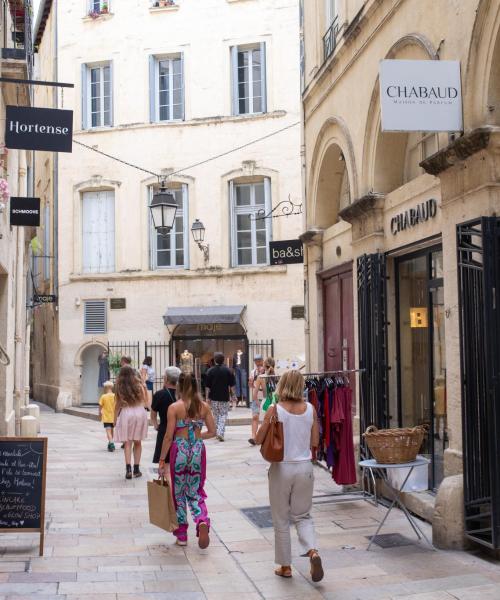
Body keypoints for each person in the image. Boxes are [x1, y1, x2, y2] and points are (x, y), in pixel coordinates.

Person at [255, 370, 323, 583]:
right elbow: (315, 442)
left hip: (281, 468)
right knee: (303, 516)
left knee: (281, 519)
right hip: (304, 468)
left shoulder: (275, 409)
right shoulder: (310, 409)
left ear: (282, 385)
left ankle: (285, 567)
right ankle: (313, 552)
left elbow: (259, 439)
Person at [158, 372, 216, 547]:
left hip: (180, 450)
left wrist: (162, 460)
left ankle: (182, 535)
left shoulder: (174, 408)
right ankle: (201, 519)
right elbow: (213, 432)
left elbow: (168, 436)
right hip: (197, 451)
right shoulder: (204, 407)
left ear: (179, 387)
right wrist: (197, 437)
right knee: (195, 490)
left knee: (179, 493)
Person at [113, 365, 149, 479]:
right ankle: (136, 469)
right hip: (139, 412)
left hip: (126, 413)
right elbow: (146, 401)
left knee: (127, 443)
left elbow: (117, 405)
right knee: (138, 442)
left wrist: (114, 419)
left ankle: (128, 468)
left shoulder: (120, 387)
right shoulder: (139, 385)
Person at [151, 366, 180, 466]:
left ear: (166, 379)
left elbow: (153, 414)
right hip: (181, 430)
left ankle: (169, 481)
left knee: (166, 463)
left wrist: (156, 426)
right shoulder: (182, 395)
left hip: (164, 429)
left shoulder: (159, 394)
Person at [205, 352, 236, 441]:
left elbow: (207, 386)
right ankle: (220, 432)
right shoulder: (228, 371)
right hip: (224, 397)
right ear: (223, 360)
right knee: (223, 414)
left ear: (214, 360)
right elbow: (232, 385)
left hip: (213, 397)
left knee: (216, 415)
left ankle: (218, 432)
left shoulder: (210, 371)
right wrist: (233, 395)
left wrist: (207, 397)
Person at [249, 357, 276, 445]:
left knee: (264, 423)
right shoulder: (277, 376)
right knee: (273, 422)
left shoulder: (261, 377)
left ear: (264, 365)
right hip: (275, 402)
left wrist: (258, 403)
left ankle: (258, 439)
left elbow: (254, 393)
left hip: (265, 402)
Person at [98, 380, 116, 452]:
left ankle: (111, 443)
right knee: (112, 430)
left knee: (108, 431)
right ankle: (110, 443)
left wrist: (99, 414)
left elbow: (100, 407)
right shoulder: (115, 396)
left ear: (106, 388)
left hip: (106, 417)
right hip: (113, 417)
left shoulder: (103, 396)